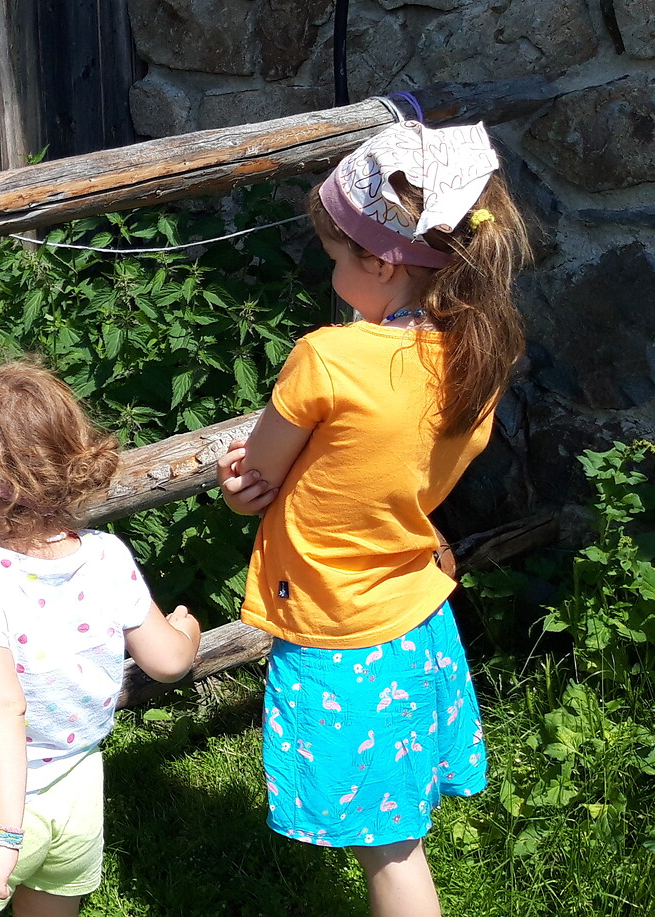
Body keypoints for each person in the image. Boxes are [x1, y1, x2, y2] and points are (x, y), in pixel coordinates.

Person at [215, 120, 531, 916]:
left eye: (335, 253)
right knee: (400, 824)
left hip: (342, 627)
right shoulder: (479, 355)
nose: (330, 269)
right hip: (416, 613)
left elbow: (260, 472)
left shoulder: (328, 358)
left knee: (392, 851)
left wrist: (235, 487)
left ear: (382, 261)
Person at [0, 362, 203, 917]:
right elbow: (166, 662)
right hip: (78, 790)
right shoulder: (106, 555)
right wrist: (186, 631)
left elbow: (1, 706)